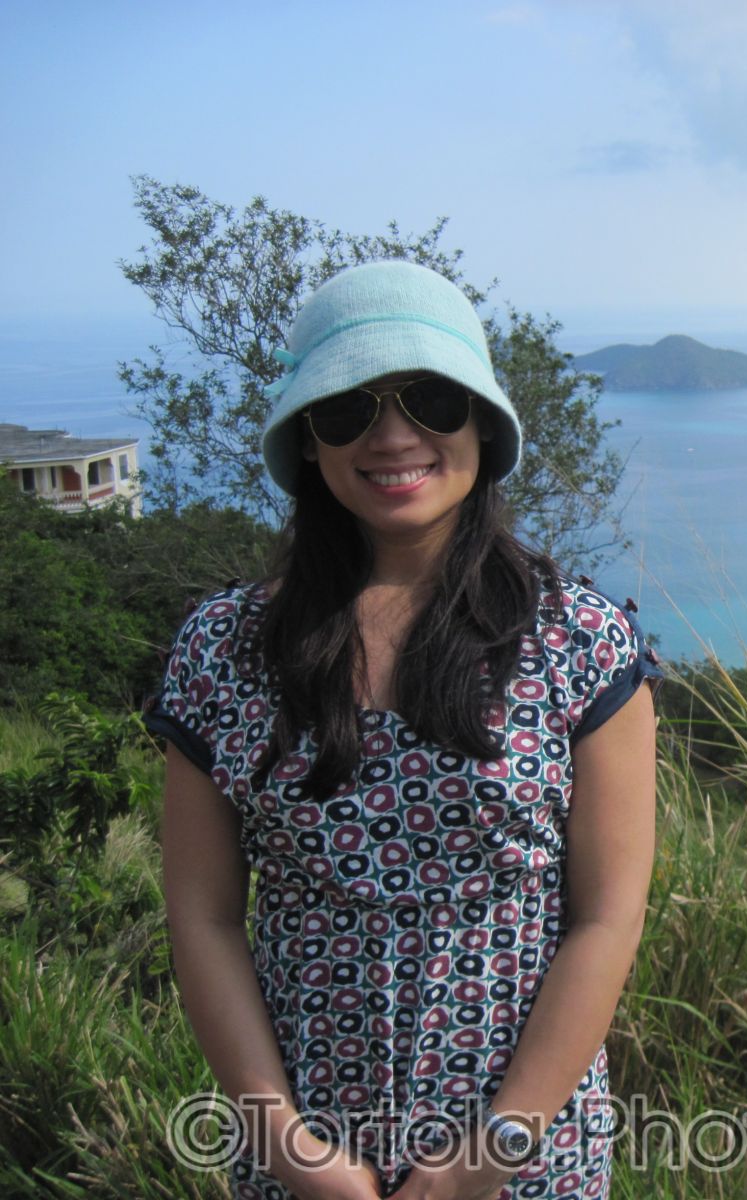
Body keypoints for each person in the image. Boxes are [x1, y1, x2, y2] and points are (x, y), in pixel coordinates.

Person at [146, 260, 662, 1200]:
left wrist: (486, 1157)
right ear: (308, 440)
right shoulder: (221, 651)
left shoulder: (581, 642)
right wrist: (292, 1150)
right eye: (347, 409)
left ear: (480, 420)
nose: (392, 436)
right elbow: (205, 916)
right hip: (302, 1154)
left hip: (523, 1158)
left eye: (429, 398)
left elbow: (606, 915)